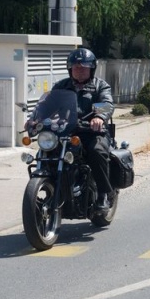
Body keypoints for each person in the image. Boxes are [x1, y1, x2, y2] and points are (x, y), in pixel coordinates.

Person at [52, 47, 115, 212]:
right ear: (70, 69)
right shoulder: (61, 86)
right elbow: (48, 105)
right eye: (76, 67)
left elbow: (107, 103)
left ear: (91, 69)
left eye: (84, 67)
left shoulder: (100, 86)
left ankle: (103, 194)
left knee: (96, 151)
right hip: (67, 132)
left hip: (92, 132)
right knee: (47, 151)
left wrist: (99, 117)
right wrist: (35, 119)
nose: (79, 71)